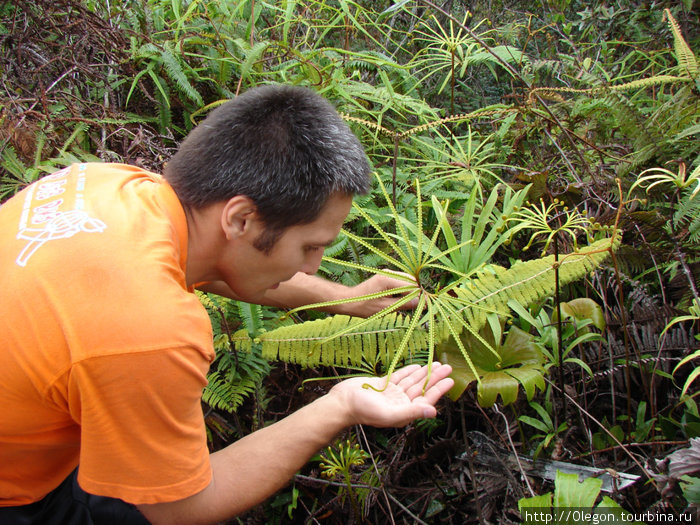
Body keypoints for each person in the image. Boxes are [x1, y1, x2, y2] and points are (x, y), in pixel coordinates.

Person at [0, 84, 454, 525]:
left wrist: (345, 299)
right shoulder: (149, 334)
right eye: (311, 247)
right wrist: (340, 406)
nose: (314, 268)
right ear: (240, 218)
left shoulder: (110, 184)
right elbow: (186, 506)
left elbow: (218, 263)